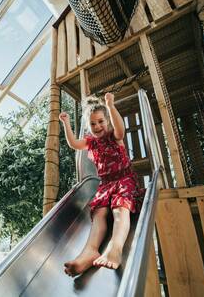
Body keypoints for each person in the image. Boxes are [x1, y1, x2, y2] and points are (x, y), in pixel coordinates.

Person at [59, 92, 144, 277]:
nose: (97, 126)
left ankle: (115, 247)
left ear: (107, 121)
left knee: (120, 209)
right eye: (93, 123)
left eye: (100, 121)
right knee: (99, 215)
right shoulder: (91, 143)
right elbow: (73, 144)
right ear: (89, 127)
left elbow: (121, 129)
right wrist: (65, 123)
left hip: (124, 180)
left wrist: (110, 106)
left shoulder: (115, 137)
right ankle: (90, 251)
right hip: (105, 185)